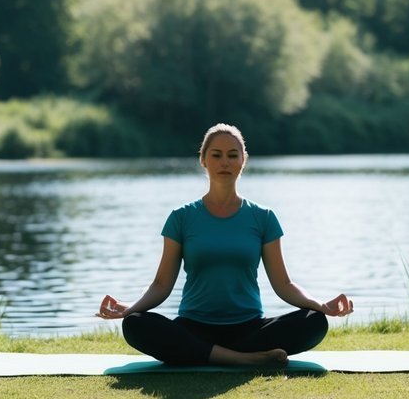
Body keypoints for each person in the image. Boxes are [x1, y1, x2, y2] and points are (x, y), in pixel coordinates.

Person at [96, 123, 353, 366]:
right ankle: (244, 359)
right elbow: (161, 285)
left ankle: (214, 355)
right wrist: (130, 308)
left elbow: (283, 284)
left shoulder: (263, 217)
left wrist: (321, 305)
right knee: (135, 323)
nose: (225, 162)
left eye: (232, 155)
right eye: (216, 155)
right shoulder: (181, 218)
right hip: (194, 327)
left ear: (243, 160)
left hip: (249, 328)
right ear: (203, 160)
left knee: (314, 322)